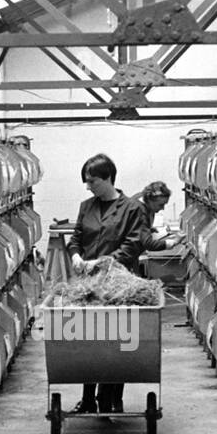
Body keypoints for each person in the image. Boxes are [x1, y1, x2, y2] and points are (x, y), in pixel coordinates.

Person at [66, 153, 149, 415]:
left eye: (92, 181)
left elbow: (132, 246)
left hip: (120, 285)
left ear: (108, 178)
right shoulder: (86, 206)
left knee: (117, 342)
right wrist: (77, 255)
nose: (88, 186)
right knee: (90, 342)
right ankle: (88, 398)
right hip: (89, 286)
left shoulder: (132, 208)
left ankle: (112, 397)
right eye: (86, 182)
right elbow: (77, 238)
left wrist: (101, 262)